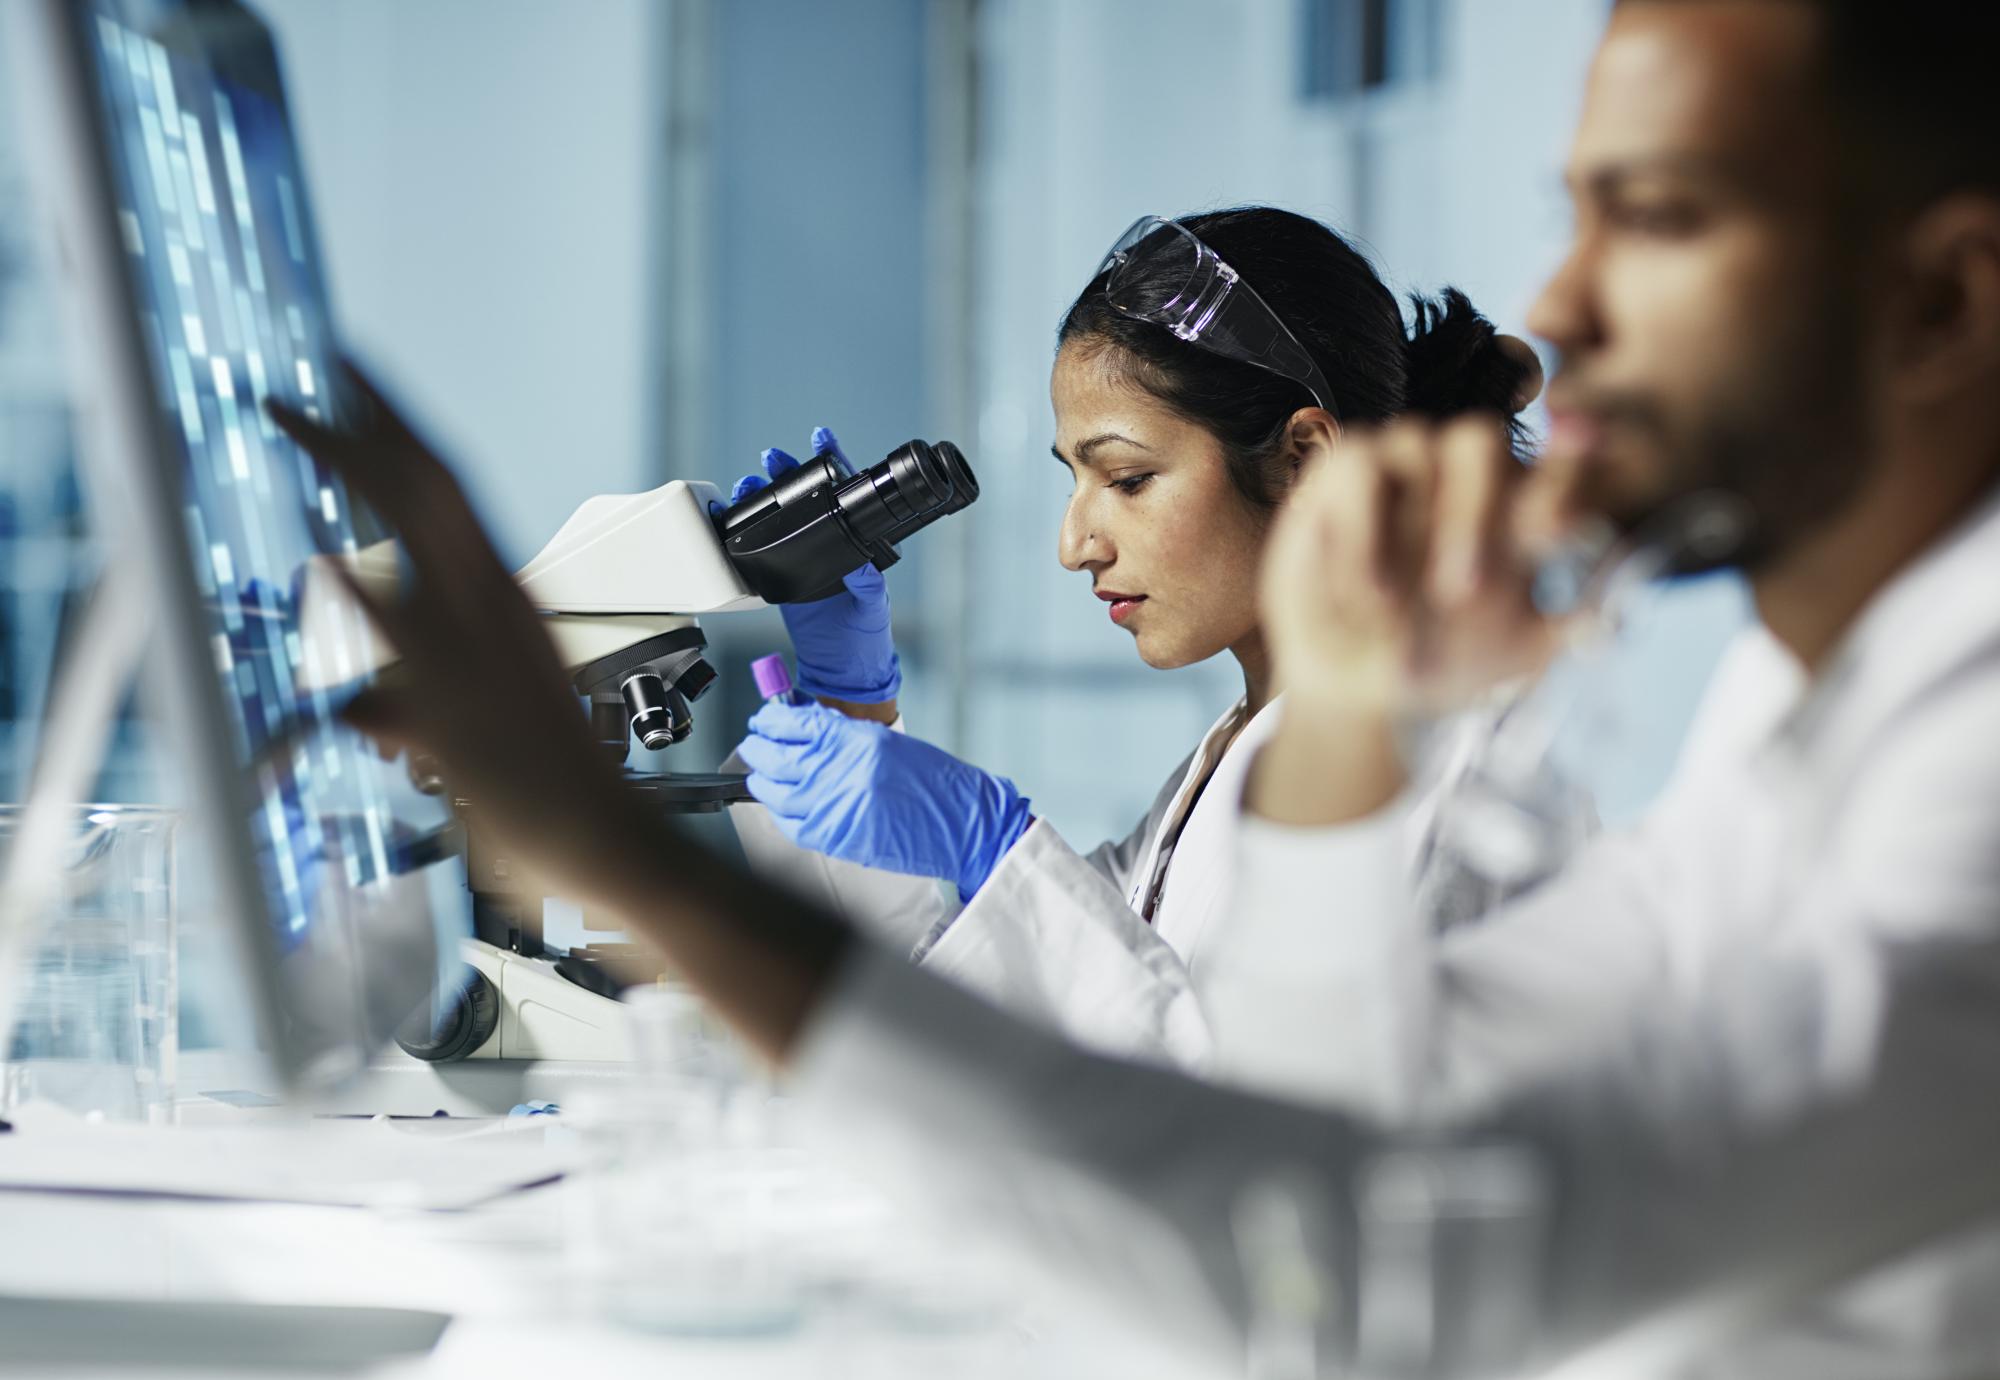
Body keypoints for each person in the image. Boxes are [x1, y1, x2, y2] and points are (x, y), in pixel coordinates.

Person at [270, 1, 2000, 1371]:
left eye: (1664, 216)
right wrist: (1307, 716)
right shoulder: (1798, 729)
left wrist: (630, 849)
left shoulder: (1966, 799)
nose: (1562, 302)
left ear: (1942, 300)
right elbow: (1329, 1156)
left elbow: (1341, 1280)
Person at [723, 208, 1585, 1094]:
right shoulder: (1229, 762)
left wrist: (999, 849)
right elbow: (983, 1035)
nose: (1076, 543)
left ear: (1303, 460)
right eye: (1076, 479)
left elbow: (1251, 1129)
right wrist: (850, 704)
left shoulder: (1424, 761)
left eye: (1128, 480)